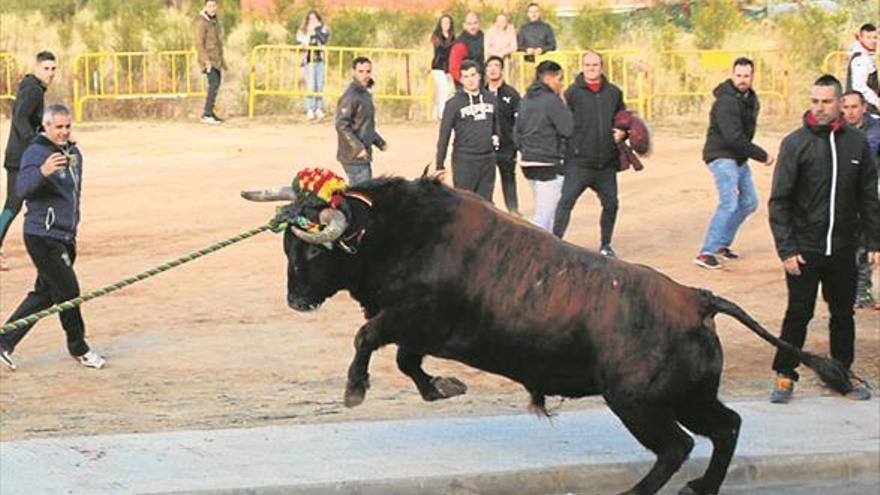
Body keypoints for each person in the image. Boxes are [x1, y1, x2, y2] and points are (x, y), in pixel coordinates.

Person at [767, 75, 880, 404]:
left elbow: (868, 198)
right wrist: (787, 249)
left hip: (843, 249)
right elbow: (780, 201)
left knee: (843, 314)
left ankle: (840, 374)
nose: (819, 107)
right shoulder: (795, 143)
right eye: (814, 100)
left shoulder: (856, 144)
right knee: (798, 314)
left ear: (840, 104)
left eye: (826, 101)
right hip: (804, 250)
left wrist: (874, 242)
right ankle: (785, 374)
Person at [0, 104, 106, 371]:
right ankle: (79, 348)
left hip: (65, 235)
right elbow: (20, 189)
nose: (63, 131)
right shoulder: (36, 152)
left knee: (46, 294)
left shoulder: (73, 152)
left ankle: (3, 341)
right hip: (42, 235)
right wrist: (42, 171)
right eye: (58, 127)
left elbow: (73, 195)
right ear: (46, 127)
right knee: (69, 291)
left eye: (67, 126)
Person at [694, 57, 775, 270]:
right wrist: (762, 155)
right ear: (732, 75)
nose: (742, 79)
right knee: (729, 202)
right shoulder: (727, 101)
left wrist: (749, 154)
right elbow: (733, 137)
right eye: (738, 75)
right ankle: (706, 252)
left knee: (749, 202)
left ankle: (721, 245)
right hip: (721, 155)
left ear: (752, 77)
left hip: (737, 156)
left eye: (746, 76)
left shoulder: (749, 98)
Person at [553, 51, 626, 257]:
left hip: (606, 163)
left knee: (611, 204)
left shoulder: (614, 93)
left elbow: (622, 118)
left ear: (602, 68)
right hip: (579, 162)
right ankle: (555, 244)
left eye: (595, 65)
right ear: (582, 67)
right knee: (566, 202)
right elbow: (562, 125)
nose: (591, 68)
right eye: (587, 65)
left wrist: (623, 132)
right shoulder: (572, 93)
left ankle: (605, 245)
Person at [0, 51, 57, 272]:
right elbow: (21, 118)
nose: (50, 73)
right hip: (19, 157)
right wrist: (35, 143)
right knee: (14, 203)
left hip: (22, 155)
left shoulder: (32, 87)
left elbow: (31, 121)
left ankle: (48, 243)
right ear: (36, 68)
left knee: (28, 199)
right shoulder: (33, 90)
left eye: (53, 69)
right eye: (46, 68)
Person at [515, 60, 573, 231]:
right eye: (559, 79)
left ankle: (547, 252)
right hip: (548, 163)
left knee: (549, 212)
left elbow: (516, 131)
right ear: (548, 78)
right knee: (545, 214)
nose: (561, 84)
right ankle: (529, 250)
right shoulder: (552, 101)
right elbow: (568, 129)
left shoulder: (526, 99)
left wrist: (525, 149)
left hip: (528, 162)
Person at [436, 60, 499, 202]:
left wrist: (497, 144)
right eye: (466, 76)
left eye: (473, 75)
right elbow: (444, 134)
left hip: (487, 159)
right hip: (464, 160)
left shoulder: (490, 99)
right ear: (461, 79)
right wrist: (440, 163)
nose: (470, 80)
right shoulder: (453, 104)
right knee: (465, 203)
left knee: (486, 204)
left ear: (480, 76)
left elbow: (496, 125)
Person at [841, 90, 880, 310]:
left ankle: (861, 290)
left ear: (864, 108)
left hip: (869, 192)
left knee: (866, 243)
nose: (850, 112)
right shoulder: (834, 129)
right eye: (845, 107)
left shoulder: (874, 130)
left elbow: (868, 151)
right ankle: (853, 289)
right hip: (844, 197)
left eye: (854, 107)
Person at [335, 57, 387, 185]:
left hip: (362, 154)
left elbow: (365, 125)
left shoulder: (364, 93)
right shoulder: (351, 95)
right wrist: (358, 148)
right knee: (362, 195)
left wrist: (379, 142)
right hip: (354, 156)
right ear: (353, 72)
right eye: (361, 71)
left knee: (362, 193)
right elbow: (342, 125)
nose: (365, 75)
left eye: (368, 71)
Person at [484, 55, 521, 215]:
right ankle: (486, 212)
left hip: (507, 146)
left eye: (496, 66)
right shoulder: (480, 94)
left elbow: (519, 122)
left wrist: (516, 143)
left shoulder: (511, 94)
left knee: (509, 180)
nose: (492, 69)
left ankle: (513, 211)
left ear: (502, 70)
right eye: (489, 66)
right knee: (486, 182)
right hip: (485, 148)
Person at [194, 0, 227, 124]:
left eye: (214, 5)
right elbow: (199, 44)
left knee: (216, 85)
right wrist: (206, 61)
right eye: (210, 6)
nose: (212, 8)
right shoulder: (201, 23)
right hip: (209, 60)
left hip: (216, 60)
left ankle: (210, 112)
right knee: (213, 85)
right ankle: (207, 114)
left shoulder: (213, 21)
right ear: (205, 7)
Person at [296, 9, 331, 121]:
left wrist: (317, 31)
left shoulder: (323, 30)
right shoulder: (302, 31)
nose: (312, 21)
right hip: (308, 61)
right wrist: (309, 35)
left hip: (320, 60)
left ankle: (319, 108)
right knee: (310, 86)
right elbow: (301, 43)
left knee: (319, 86)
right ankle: (310, 109)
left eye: (315, 19)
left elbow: (324, 41)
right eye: (310, 19)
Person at [447, 12, 485, 88]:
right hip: (465, 85)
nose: (472, 26)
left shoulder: (483, 37)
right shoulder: (460, 44)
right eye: (469, 24)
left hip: (481, 81)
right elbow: (454, 68)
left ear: (479, 24)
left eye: (475, 23)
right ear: (464, 25)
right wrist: (466, 82)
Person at [847, 23, 879, 113]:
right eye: (868, 38)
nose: (872, 41)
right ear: (861, 38)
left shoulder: (867, 56)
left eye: (875, 37)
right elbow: (859, 86)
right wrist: (877, 102)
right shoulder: (861, 59)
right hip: (864, 111)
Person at [430, 15, 455, 121]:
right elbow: (435, 51)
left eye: (448, 23)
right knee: (444, 88)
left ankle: (437, 112)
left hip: (448, 67)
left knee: (447, 90)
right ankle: (441, 114)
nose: (446, 25)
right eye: (444, 22)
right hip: (438, 66)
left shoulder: (453, 37)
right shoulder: (436, 36)